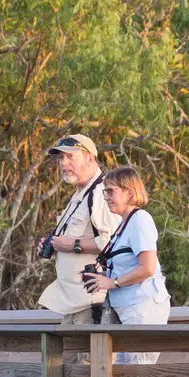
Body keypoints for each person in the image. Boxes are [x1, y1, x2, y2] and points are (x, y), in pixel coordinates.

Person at [85, 165, 169, 377]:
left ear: (129, 192)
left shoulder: (141, 220)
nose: (106, 196)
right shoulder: (123, 224)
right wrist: (101, 275)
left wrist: (113, 282)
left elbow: (147, 266)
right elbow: (123, 263)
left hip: (144, 309)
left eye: (110, 191)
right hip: (125, 311)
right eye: (104, 191)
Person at [35, 134, 117, 317]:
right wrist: (52, 243)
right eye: (61, 158)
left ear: (90, 158)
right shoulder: (80, 194)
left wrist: (73, 245)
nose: (64, 164)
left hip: (93, 303)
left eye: (71, 157)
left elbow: (114, 242)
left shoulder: (101, 193)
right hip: (72, 303)